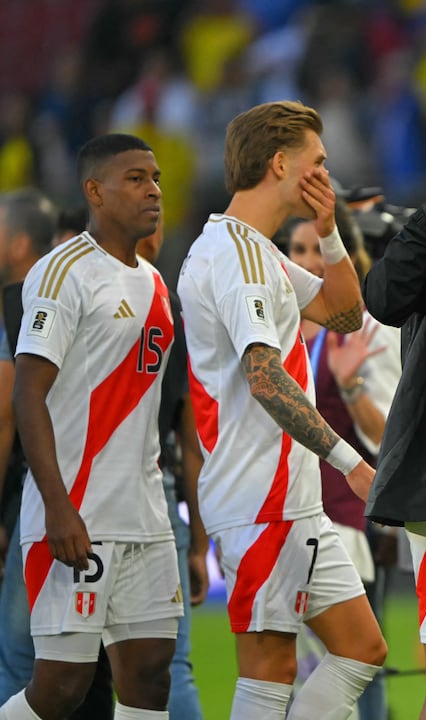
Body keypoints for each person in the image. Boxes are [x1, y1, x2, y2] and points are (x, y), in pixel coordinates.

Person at [177, 100, 385, 719]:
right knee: (269, 669)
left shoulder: (255, 251)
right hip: (259, 497)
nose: (325, 172)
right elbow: (265, 378)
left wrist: (329, 229)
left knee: (362, 649)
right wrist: (349, 462)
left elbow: (344, 315)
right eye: (317, 161)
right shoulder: (237, 260)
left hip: (292, 500)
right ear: (279, 163)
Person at [1, 133, 180, 719]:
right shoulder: (62, 272)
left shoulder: (154, 281)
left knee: (151, 675)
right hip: (77, 509)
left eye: (156, 178)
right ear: (95, 192)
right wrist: (57, 507)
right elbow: (28, 393)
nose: (153, 190)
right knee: (61, 687)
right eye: (136, 178)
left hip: (145, 514)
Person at [280, 201, 400, 720]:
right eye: (296, 250)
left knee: (352, 662)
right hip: (279, 513)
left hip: (342, 519)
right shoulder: (269, 327)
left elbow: (385, 438)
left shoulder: (359, 330)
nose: (307, 261)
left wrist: (350, 385)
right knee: (286, 668)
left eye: (317, 250)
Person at [136, 217, 208, 719]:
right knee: (168, 665)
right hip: (157, 493)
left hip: (80, 491)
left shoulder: (72, 289)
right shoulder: (171, 308)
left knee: (62, 668)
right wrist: (198, 541)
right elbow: (190, 438)